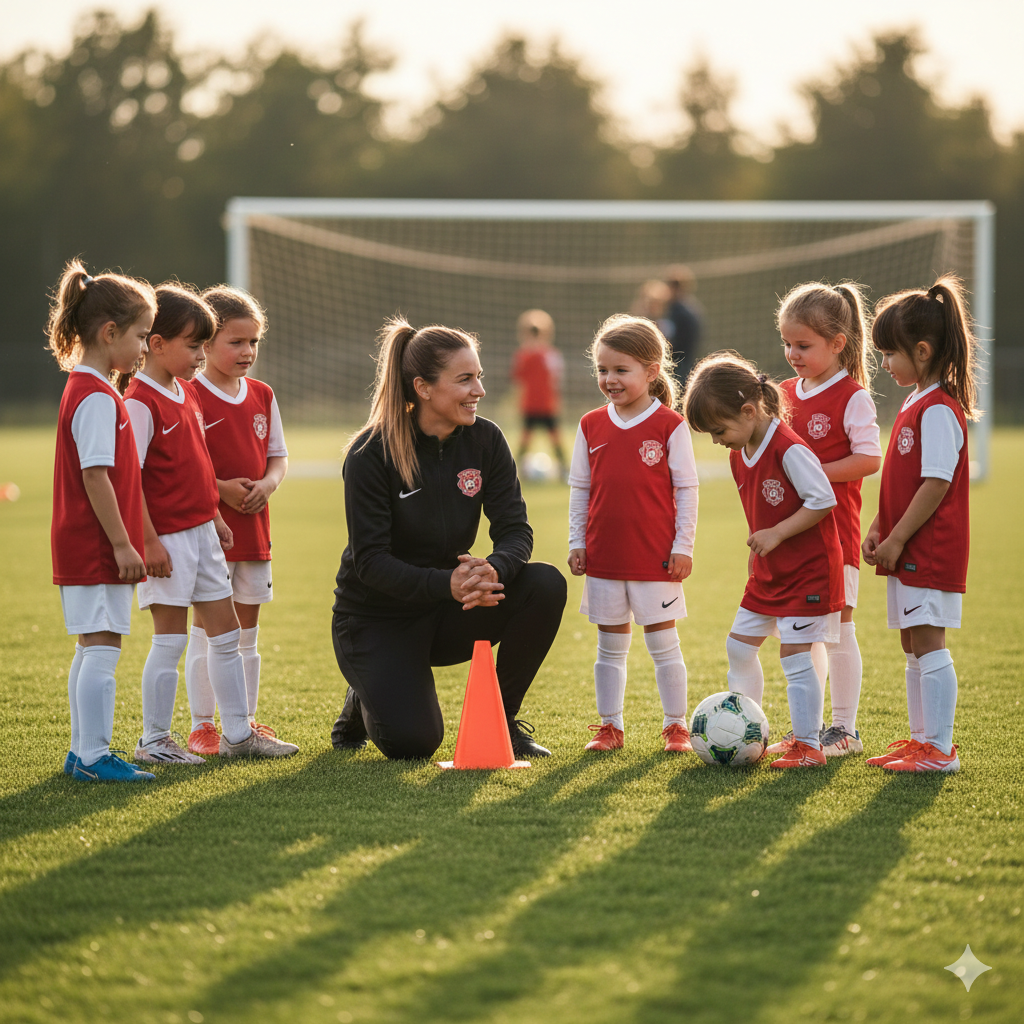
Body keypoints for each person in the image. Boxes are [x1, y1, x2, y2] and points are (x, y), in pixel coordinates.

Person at [330, 318, 566, 761]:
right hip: (377, 620)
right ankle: (363, 696)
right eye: (464, 379)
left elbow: (515, 529)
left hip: (450, 611)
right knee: (413, 742)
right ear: (422, 387)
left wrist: (494, 568)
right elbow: (371, 562)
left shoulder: (487, 440)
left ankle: (505, 720)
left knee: (545, 584)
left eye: (479, 376)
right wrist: (448, 584)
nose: (479, 389)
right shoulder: (369, 454)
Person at [123, 283, 297, 762]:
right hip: (169, 542)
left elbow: (197, 464)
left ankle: (239, 735)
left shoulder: (183, 393)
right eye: (196, 345)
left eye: (203, 345)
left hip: (204, 534)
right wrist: (148, 541)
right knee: (173, 639)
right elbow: (128, 480)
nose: (201, 355)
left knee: (227, 634)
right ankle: (155, 740)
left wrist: (210, 519)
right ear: (157, 344)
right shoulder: (139, 400)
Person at [684, 352, 845, 769]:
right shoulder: (740, 452)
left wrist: (776, 533)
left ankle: (808, 746)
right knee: (738, 646)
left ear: (750, 410)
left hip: (808, 571)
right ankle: (748, 732)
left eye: (719, 430)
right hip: (769, 574)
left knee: (794, 655)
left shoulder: (788, 447)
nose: (717, 440)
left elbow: (823, 499)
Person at [567, 314, 699, 753]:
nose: (610, 379)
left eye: (621, 370)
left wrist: (683, 546)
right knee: (609, 648)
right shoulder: (590, 425)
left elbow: (687, 489)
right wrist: (577, 541)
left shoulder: (670, 426)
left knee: (663, 645)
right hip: (604, 557)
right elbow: (581, 489)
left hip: (656, 559)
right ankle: (610, 727)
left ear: (651, 371)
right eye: (603, 370)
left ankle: (676, 726)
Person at [861, 276, 977, 773]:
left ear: (923, 351)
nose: (884, 364)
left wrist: (899, 537)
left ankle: (941, 750)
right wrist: (878, 526)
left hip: (930, 548)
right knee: (913, 642)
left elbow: (935, 484)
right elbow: (904, 483)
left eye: (890, 354)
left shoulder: (938, 409)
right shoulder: (914, 402)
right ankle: (920, 740)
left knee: (929, 641)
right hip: (906, 544)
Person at [47, 259, 157, 782]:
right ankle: (92, 757)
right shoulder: (93, 395)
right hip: (94, 547)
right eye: (141, 336)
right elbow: (96, 478)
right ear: (109, 333)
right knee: (104, 648)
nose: (143, 348)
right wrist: (122, 544)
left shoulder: (92, 388)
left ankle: (80, 753)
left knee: (92, 645)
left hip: (87, 546)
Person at [182, 286, 291, 756]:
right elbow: (181, 462)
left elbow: (279, 457)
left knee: (248, 633)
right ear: (206, 344)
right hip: (206, 533)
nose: (247, 352)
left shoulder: (263, 395)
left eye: (254, 343)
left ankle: (243, 721)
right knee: (208, 634)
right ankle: (202, 726)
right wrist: (220, 488)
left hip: (254, 532)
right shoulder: (188, 394)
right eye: (236, 342)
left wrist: (268, 484)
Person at [774, 282, 882, 757]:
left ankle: (845, 730)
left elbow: (869, 459)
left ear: (837, 344)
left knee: (839, 632)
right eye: (787, 343)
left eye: (803, 345)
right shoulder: (781, 393)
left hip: (836, 535)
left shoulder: (852, 396)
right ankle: (808, 729)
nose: (792, 353)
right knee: (804, 633)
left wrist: (811, 473)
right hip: (792, 537)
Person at [510, 309, 566, 476]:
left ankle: (564, 468)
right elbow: (518, 379)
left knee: (554, 437)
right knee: (526, 438)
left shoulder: (549, 355)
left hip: (546, 403)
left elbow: (556, 380)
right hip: (532, 403)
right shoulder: (525, 355)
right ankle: (513, 470)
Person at [663, 265, 703, 379]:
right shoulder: (691, 308)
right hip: (686, 362)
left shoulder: (679, 312)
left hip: (678, 365)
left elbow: (674, 340)